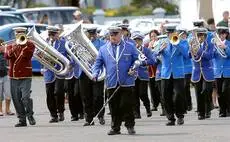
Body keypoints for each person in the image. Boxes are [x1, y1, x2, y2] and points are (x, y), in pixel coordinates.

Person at [92, 26, 140, 135]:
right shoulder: (103, 49)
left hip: (127, 81)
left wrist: (134, 68)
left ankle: (130, 126)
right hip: (112, 81)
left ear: (120, 34)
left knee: (126, 104)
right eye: (111, 34)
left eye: (115, 34)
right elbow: (98, 63)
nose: (113, 36)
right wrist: (95, 73)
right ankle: (115, 128)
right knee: (113, 106)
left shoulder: (130, 46)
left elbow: (138, 59)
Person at [1, 27, 36, 127]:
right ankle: (22, 120)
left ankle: (30, 115)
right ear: (15, 34)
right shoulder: (10, 46)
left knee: (25, 98)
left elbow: (28, 55)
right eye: (17, 33)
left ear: (24, 34)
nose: (19, 35)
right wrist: (15, 46)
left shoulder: (30, 44)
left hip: (25, 75)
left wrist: (23, 45)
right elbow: (7, 56)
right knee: (16, 99)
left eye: (21, 33)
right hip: (14, 76)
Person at [158, 24, 189, 126]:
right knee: (165, 96)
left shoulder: (183, 42)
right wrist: (160, 50)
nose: (170, 35)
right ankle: (170, 118)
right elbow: (154, 55)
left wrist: (176, 43)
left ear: (175, 33)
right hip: (166, 73)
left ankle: (180, 116)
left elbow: (186, 54)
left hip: (178, 73)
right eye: (168, 33)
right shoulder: (162, 42)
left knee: (178, 96)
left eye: (172, 33)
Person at [42, 26, 69, 123]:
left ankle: (60, 111)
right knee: (49, 94)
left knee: (58, 92)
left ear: (58, 34)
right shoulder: (44, 43)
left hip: (59, 72)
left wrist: (69, 65)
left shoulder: (63, 43)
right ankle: (53, 115)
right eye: (50, 34)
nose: (52, 36)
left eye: (54, 34)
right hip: (48, 72)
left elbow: (69, 56)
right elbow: (41, 56)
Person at [79, 27, 106, 126]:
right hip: (84, 72)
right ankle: (89, 118)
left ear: (96, 34)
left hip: (98, 72)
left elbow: (105, 57)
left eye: (93, 34)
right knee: (86, 97)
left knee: (98, 96)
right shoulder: (82, 44)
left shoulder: (102, 44)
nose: (91, 36)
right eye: (89, 34)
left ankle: (100, 115)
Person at [189, 27, 214, 120]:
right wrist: (191, 50)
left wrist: (199, 50)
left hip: (207, 71)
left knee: (206, 91)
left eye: (202, 35)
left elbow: (210, 56)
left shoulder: (210, 44)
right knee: (198, 93)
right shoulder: (193, 44)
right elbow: (188, 56)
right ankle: (201, 112)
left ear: (205, 36)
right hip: (196, 72)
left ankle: (208, 108)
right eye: (198, 35)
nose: (200, 37)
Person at [131, 31, 155, 119]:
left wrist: (142, 63)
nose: (137, 42)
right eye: (135, 40)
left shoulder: (146, 50)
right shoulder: (131, 50)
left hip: (143, 75)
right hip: (133, 75)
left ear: (142, 41)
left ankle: (148, 108)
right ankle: (136, 113)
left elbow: (152, 61)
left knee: (143, 93)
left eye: (139, 40)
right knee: (134, 95)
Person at [213, 26, 230, 117]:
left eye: (223, 34)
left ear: (226, 34)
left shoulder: (229, 43)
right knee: (219, 92)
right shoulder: (214, 45)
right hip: (218, 72)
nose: (221, 36)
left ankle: (228, 109)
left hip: (227, 72)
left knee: (226, 91)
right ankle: (222, 111)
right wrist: (213, 47)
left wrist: (225, 47)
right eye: (220, 34)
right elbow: (211, 56)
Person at [0, 39, 15, 116]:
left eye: (2, 45)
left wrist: (5, 51)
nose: (1, 46)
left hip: (6, 75)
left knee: (8, 93)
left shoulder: (5, 53)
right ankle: (0, 110)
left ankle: (7, 109)